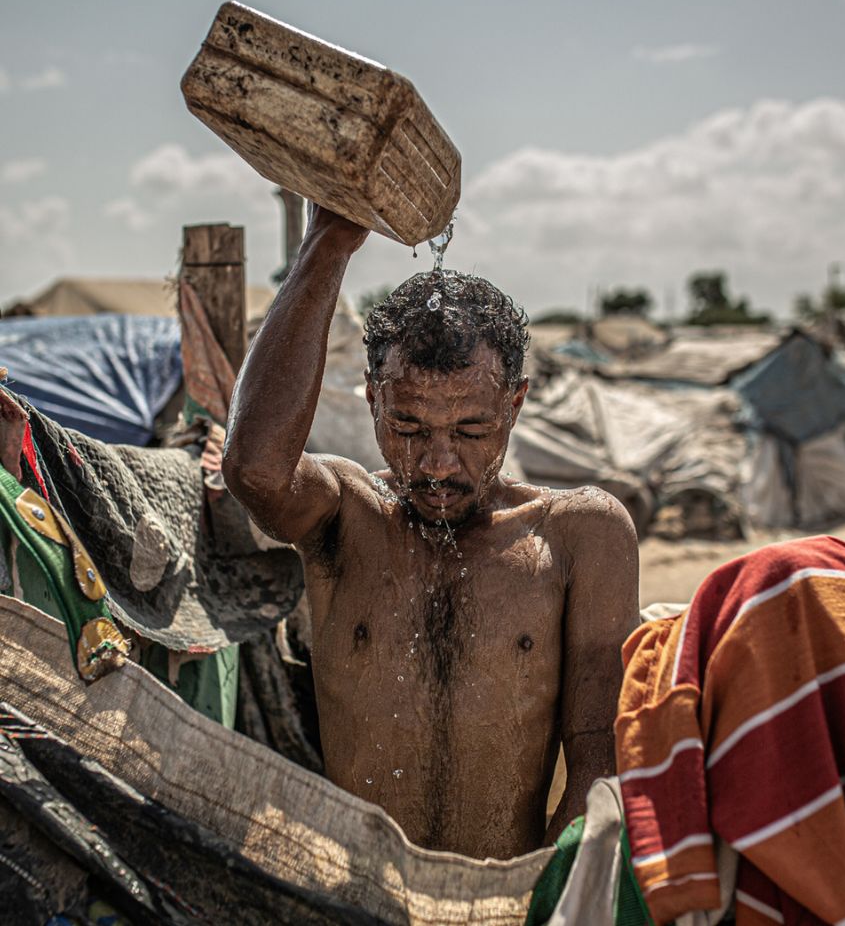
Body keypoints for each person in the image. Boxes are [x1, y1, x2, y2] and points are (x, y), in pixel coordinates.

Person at [222, 205, 640, 860]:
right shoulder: (346, 516)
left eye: (472, 432)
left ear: (516, 404)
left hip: (505, 894)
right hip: (360, 898)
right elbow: (255, 470)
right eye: (410, 430)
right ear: (372, 400)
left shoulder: (579, 536)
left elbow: (597, 755)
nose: (439, 464)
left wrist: (548, 896)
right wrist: (328, 243)